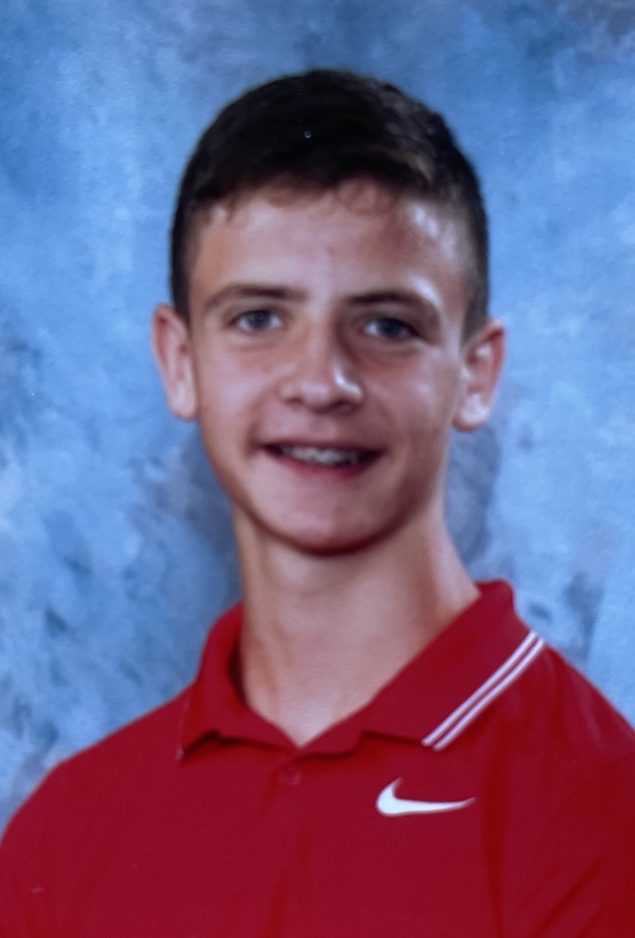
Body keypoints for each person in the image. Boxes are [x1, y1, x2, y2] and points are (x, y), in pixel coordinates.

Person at [1, 69, 633, 937]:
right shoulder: (66, 834)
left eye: (386, 325)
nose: (321, 382)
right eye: (259, 318)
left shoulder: (598, 811)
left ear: (475, 374)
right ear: (180, 362)